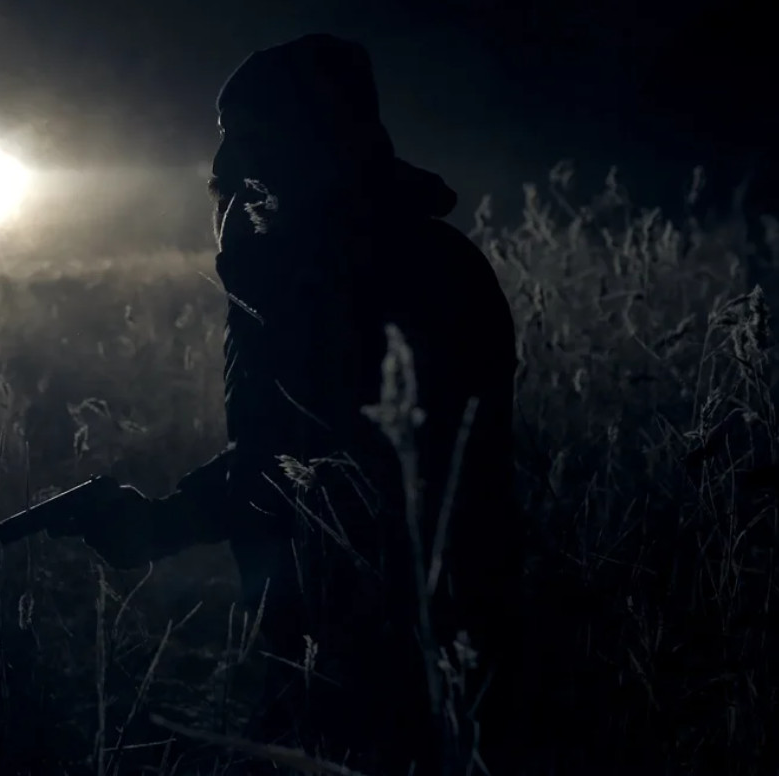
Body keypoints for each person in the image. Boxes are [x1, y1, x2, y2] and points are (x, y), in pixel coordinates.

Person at [78, 34, 525, 775]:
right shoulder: (297, 273)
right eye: (226, 140)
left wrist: (163, 525)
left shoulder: (413, 274)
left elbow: (337, 471)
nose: (225, 167)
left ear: (318, 142)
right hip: (317, 644)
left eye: (250, 139)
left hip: (411, 653)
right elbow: (283, 455)